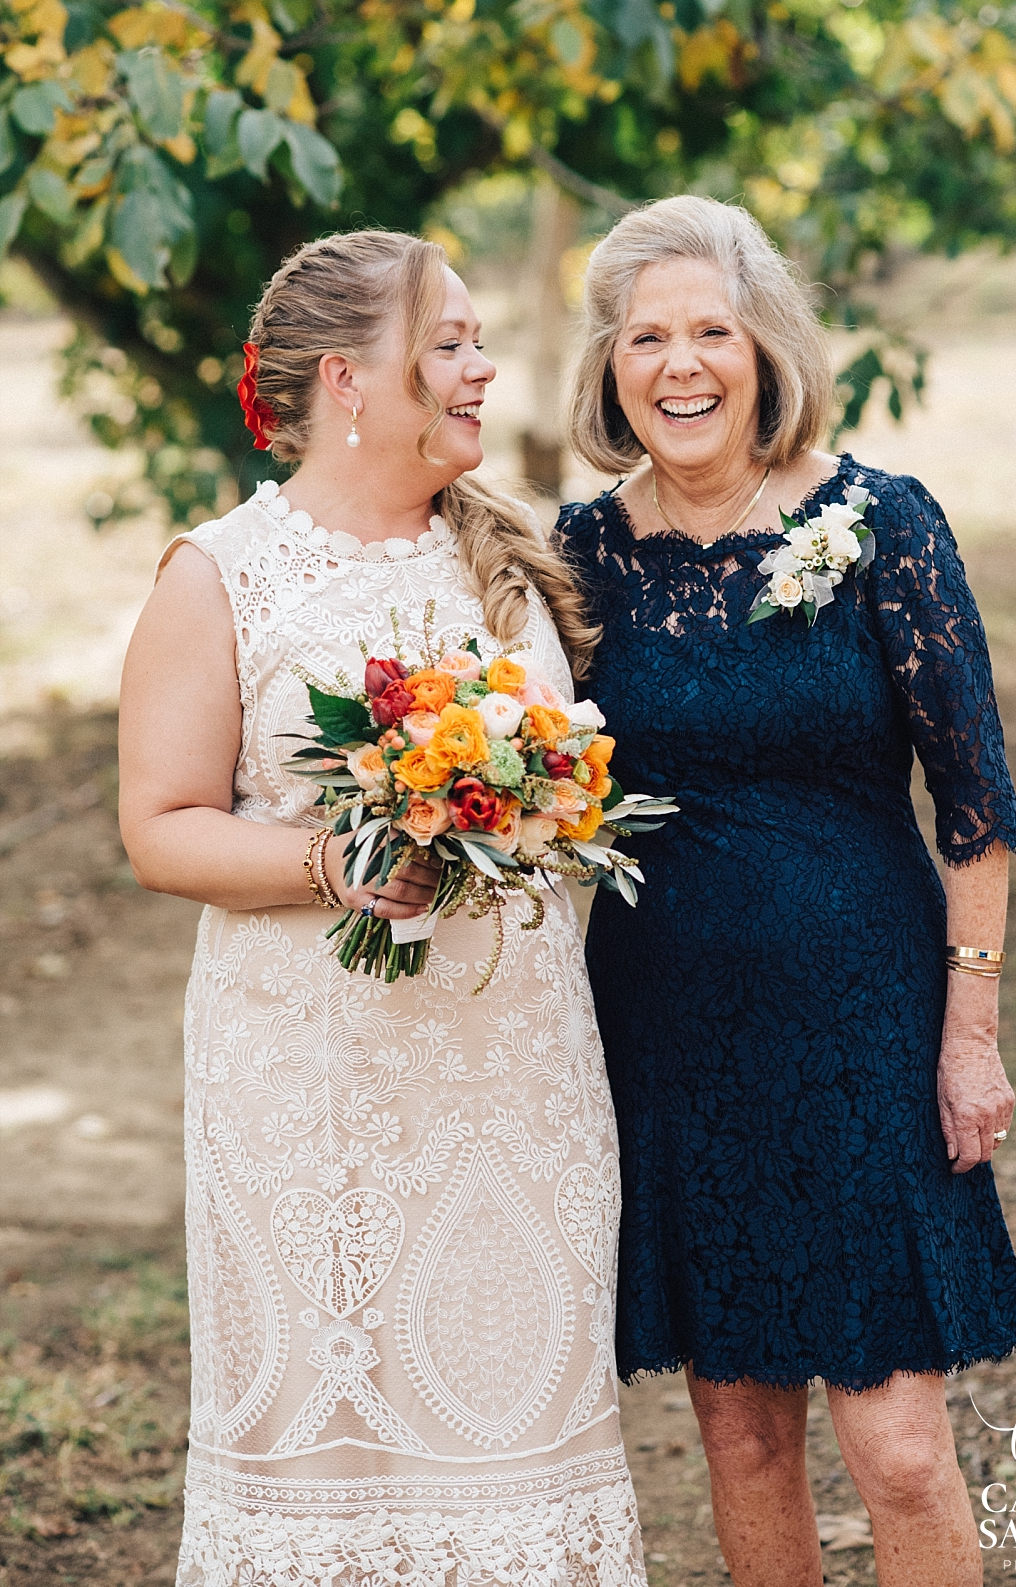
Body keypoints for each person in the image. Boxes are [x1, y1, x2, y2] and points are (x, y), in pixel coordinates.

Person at [120, 231, 646, 1586]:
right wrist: (326, 867)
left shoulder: (509, 559)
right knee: (331, 1447)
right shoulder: (220, 573)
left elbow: (571, 790)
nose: (482, 369)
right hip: (314, 1087)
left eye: (477, 342)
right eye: (452, 343)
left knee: (514, 1426)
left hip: (514, 1070)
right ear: (349, 378)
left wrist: (532, 801)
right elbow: (160, 825)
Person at [555, 197, 1016, 1587]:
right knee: (743, 1439)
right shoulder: (579, 557)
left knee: (898, 1449)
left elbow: (976, 806)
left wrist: (970, 1029)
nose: (679, 363)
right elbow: (530, 773)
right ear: (611, 365)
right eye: (646, 335)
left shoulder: (881, 522)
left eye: (712, 328)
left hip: (864, 1020)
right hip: (672, 1027)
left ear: (767, 348)